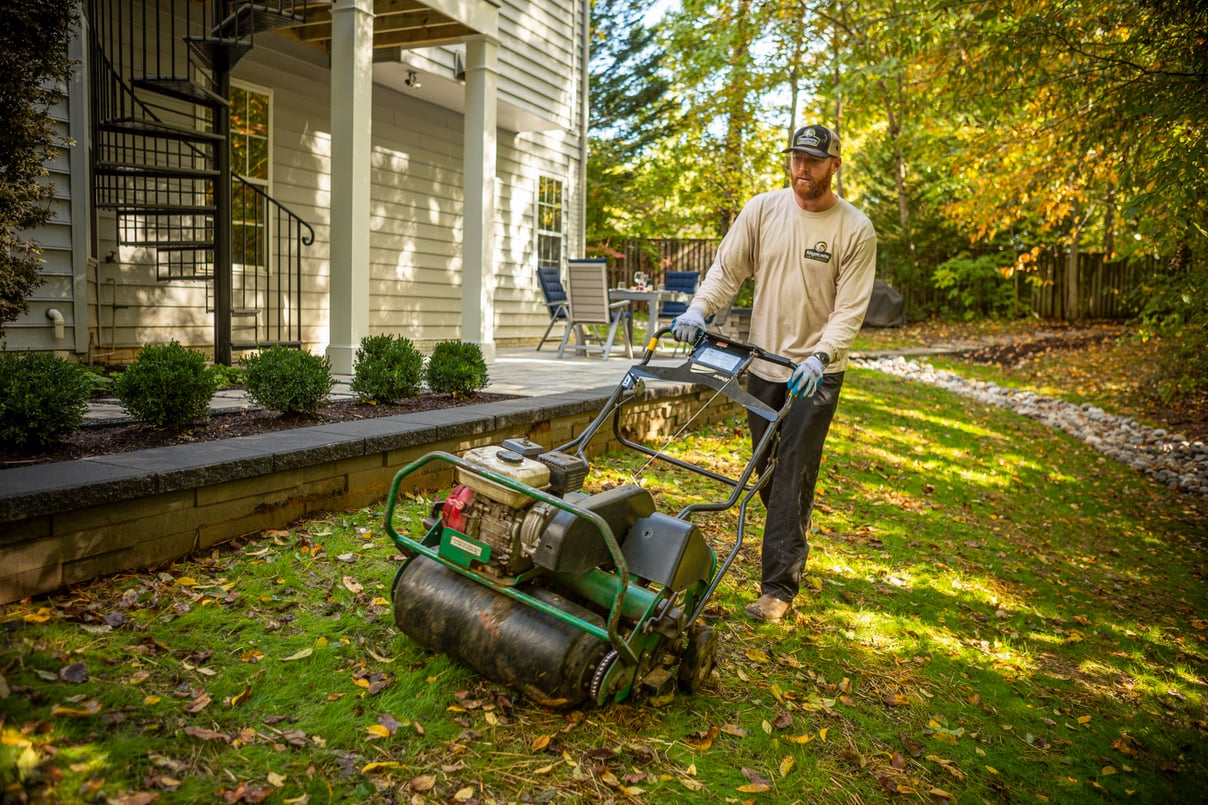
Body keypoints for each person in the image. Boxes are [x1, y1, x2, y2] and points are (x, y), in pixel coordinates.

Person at [672, 124, 877, 623]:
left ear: (834, 165)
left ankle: (778, 589)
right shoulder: (763, 209)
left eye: (813, 160)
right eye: (796, 158)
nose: (801, 168)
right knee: (767, 472)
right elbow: (727, 270)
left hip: (815, 373)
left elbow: (849, 310)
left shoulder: (854, 228)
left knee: (792, 475)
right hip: (764, 363)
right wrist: (700, 310)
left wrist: (822, 357)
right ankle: (792, 536)